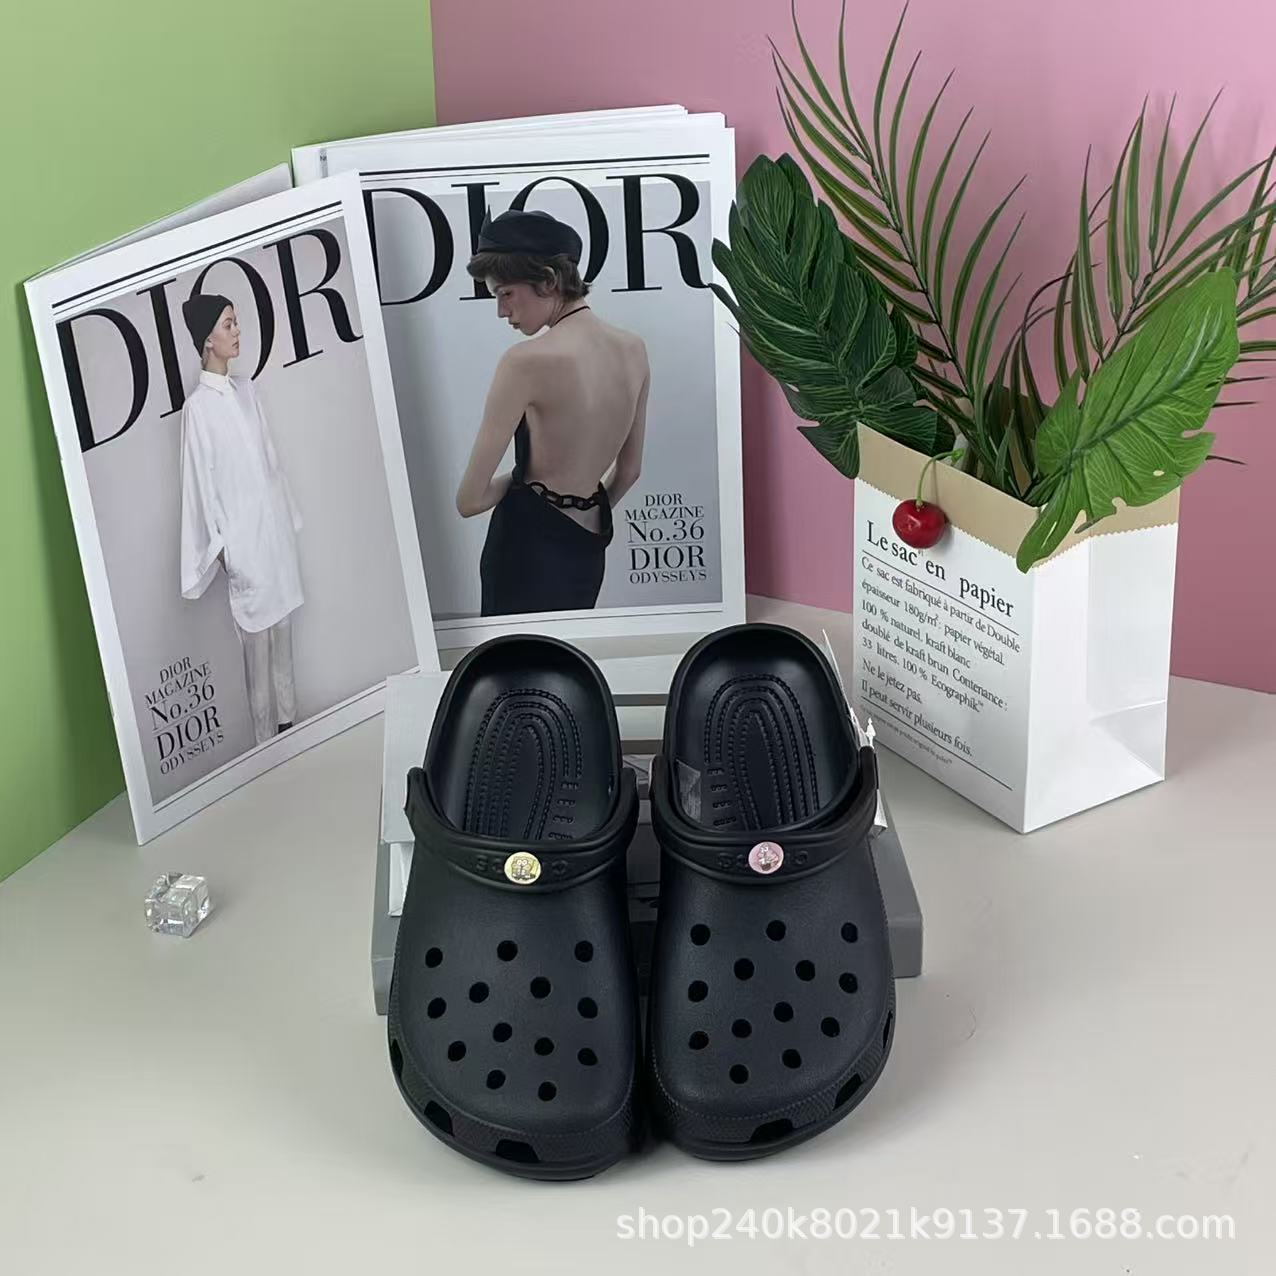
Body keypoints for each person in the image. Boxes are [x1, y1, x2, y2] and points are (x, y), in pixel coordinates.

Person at [457, 209, 650, 617]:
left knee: (515, 656)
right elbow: (629, 471)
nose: (501, 311)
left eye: (505, 294)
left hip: (523, 550)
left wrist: (528, 480)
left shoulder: (524, 362)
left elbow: (470, 500)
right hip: (589, 547)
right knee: (565, 654)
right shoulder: (634, 349)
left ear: (547, 280)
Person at [178, 294, 304, 746]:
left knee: (284, 633)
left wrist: (286, 522)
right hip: (244, 546)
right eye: (228, 324)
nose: (237, 331)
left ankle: (292, 728)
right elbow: (199, 486)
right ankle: (265, 744)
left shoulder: (248, 391)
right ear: (207, 339)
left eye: (236, 322)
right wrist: (225, 552)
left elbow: (271, 461)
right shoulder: (198, 409)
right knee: (257, 648)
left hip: (274, 537)